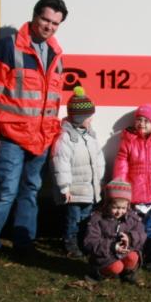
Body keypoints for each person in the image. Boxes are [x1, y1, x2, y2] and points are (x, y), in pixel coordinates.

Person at [0, 0, 68, 263]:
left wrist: (53, 133)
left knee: (30, 191)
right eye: (45, 19)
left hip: (41, 139)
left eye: (55, 23)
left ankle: (24, 243)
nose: (49, 26)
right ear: (34, 17)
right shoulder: (7, 48)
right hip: (10, 137)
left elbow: (53, 100)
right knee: (5, 192)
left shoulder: (56, 55)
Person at [50, 86, 106, 258]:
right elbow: (60, 163)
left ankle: (84, 242)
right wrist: (64, 187)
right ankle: (70, 243)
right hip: (74, 191)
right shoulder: (66, 137)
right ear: (79, 117)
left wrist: (100, 181)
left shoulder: (90, 135)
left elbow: (98, 159)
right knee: (73, 219)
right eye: (88, 117)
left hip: (89, 189)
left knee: (86, 219)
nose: (91, 120)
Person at [82, 179, 146, 284]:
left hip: (124, 251)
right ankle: (98, 273)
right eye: (115, 207)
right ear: (107, 204)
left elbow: (142, 234)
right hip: (104, 254)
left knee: (133, 257)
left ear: (128, 206)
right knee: (116, 267)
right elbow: (90, 242)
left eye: (123, 208)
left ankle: (127, 273)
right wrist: (113, 246)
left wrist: (130, 238)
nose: (119, 212)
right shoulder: (97, 219)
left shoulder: (132, 217)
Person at [113, 103, 151, 215]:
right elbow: (121, 168)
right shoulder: (129, 141)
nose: (142, 124)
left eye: (146, 121)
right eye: (139, 120)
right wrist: (121, 192)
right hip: (134, 196)